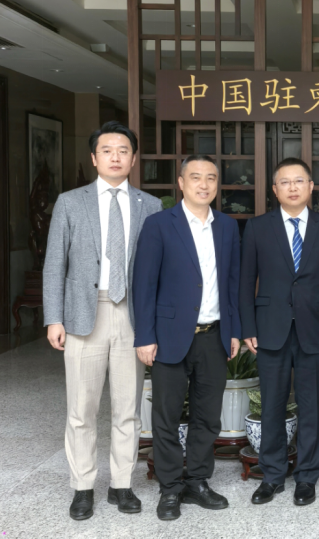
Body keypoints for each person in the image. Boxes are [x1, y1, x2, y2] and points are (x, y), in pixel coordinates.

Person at [43, 121, 162, 520]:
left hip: (131, 313)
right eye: (107, 150)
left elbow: (156, 269)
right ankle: (82, 487)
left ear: (133, 158)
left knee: (128, 406)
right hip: (83, 313)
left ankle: (121, 484)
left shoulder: (150, 205)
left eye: (123, 150)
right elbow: (54, 263)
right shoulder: (70, 202)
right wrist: (53, 317)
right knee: (82, 408)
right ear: (94, 158)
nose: (115, 157)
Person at [133, 154, 242, 521]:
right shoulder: (159, 224)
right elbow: (144, 284)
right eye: (195, 177)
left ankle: (197, 481)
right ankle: (169, 487)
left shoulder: (227, 227)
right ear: (181, 183)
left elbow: (232, 284)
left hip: (214, 335)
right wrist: (145, 335)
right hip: (168, 336)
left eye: (211, 177)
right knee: (165, 416)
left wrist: (234, 330)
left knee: (207, 416)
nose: (204, 184)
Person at [239, 158, 319, 507]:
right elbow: (245, 282)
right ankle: (272, 475)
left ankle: (307, 476)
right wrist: (247, 326)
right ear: (275, 189)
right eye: (285, 182)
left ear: (311, 186)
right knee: (272, 405)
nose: (293, 187)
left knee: (310, 406)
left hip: (315, 330)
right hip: (269, 329)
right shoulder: (257, 227)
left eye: (299, 181)